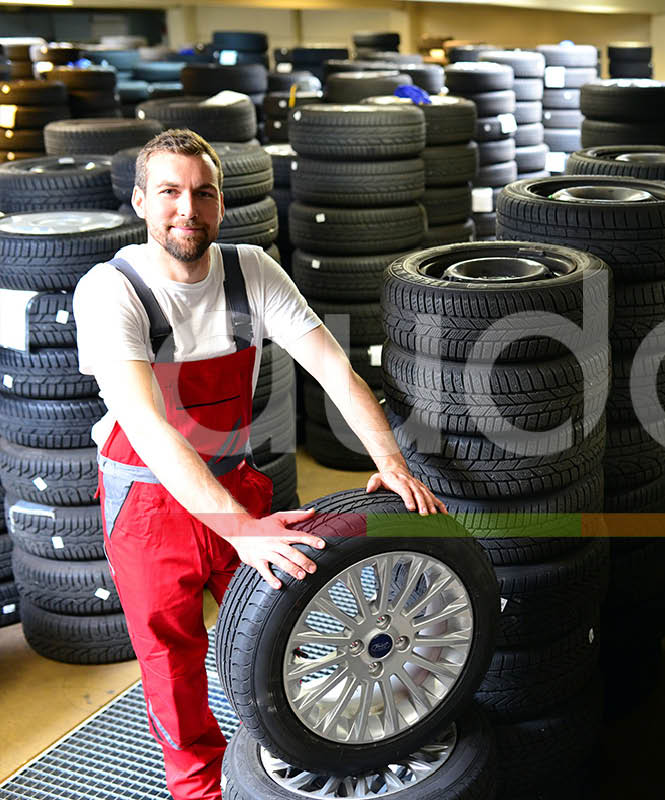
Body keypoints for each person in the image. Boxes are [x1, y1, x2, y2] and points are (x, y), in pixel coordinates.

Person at [72, 128, 446, 800]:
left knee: (287, 631)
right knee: (173, 668)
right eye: (169, 192)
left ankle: (300, 756)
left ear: (219, 204)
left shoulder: (250, 270)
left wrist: (389, 459)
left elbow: (332, 367)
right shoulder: (111, 291)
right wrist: (241, 530)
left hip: (234, 482)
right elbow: (148, 426)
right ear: (139, 202)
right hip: (149, 505)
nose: (188, 207)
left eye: (203, 193)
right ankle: (198, 792)